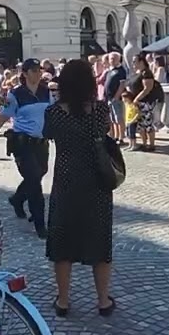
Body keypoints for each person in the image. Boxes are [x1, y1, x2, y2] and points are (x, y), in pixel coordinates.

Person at [43, 59, 115, 317]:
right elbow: (106, 133)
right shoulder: (99, 110)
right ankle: (103, 300)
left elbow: (48, 135)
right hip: (96, 183)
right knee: (99, 242)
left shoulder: (53, 113)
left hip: (65, 182)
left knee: (63, 243)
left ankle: (63, 300)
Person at [0, 58, 53, 239]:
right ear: (25, 73)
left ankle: (17, 199)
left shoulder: (46, 92)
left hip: (41, 143)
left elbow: (53, 114)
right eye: (34, 70)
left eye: (39, 70)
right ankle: (40, 223)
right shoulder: (15, 94)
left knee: (40, 172)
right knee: (34, 181)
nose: (38, 73)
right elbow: (2, 117)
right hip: (23, 144)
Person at [128, 57, 160, 152]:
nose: (133, 63)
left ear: (141, 62)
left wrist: (137, 98)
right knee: (140, 125)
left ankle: (151, 144)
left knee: (148, 124)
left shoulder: (146, 73)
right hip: (137, 103)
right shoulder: (137, 73)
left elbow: (147, 88)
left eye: (135, 61)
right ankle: (144, 143)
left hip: (146, 102)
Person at [101, 53, 128, 142]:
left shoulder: (121, 70)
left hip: (116, 98)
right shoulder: (110, 71)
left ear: (118, 59)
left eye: (113, 59)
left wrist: (116, 96)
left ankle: (121, 137)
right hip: (108, 98)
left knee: (119, 118)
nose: (111, 60)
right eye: (110, 59)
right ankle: (115, 136)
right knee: (113, 119)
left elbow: (122, 84)